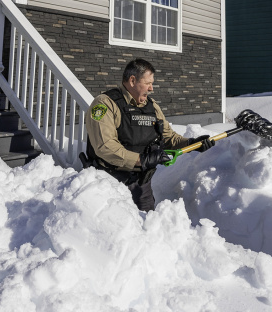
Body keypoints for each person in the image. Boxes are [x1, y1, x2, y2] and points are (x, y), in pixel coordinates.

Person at [83, 59, 213, 211]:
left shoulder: (152, 107)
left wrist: (192, 143)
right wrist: (142, 160)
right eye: (148, 83)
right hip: (109, 184)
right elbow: (105, 147)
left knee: (148, 229)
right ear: (132, 80)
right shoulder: (105, 104)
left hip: (142, 184)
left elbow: (169, 137)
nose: (151, 88)